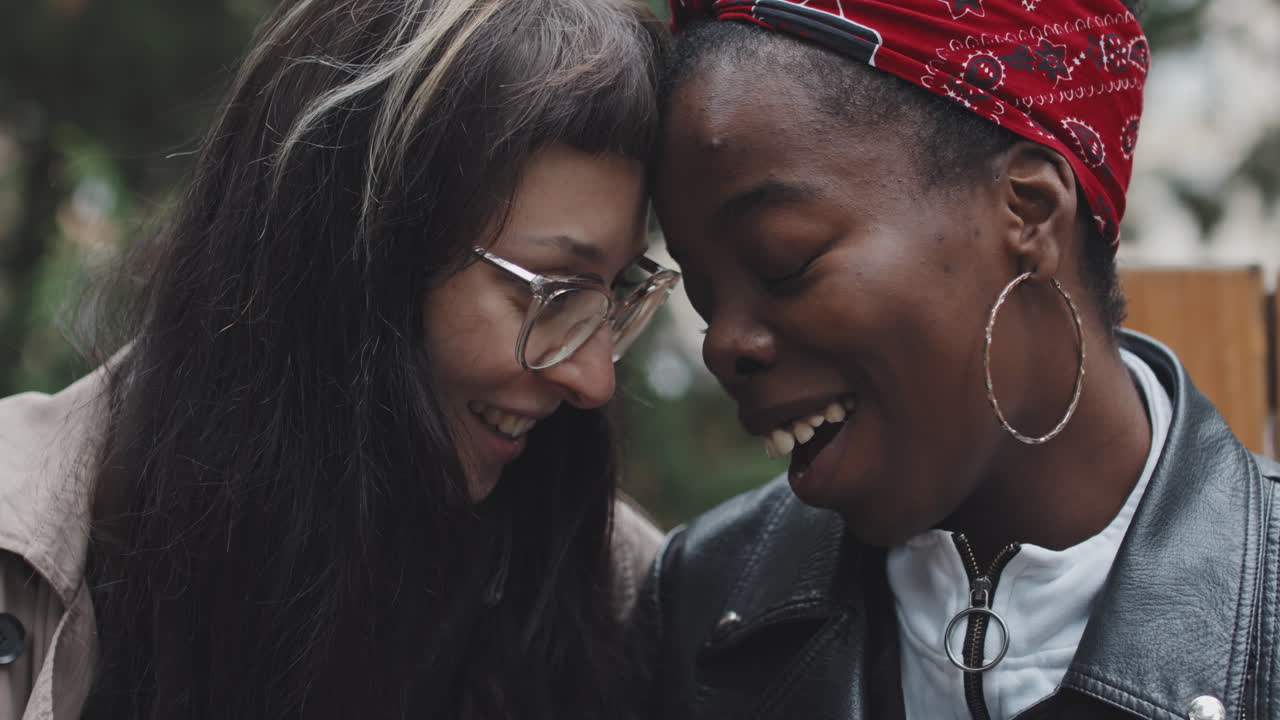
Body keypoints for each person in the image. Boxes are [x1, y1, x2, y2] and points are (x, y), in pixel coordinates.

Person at [0, 0, 679, 717]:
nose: (595, 377)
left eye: (615, 293)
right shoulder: (24, 556)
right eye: (556, 292)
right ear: (352, 259)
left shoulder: (627, 593)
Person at [639, 0, 1279, 718]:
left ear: (1028, 213)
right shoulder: (703, 605)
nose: (723, 344)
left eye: (782, 260)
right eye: (701, 292)